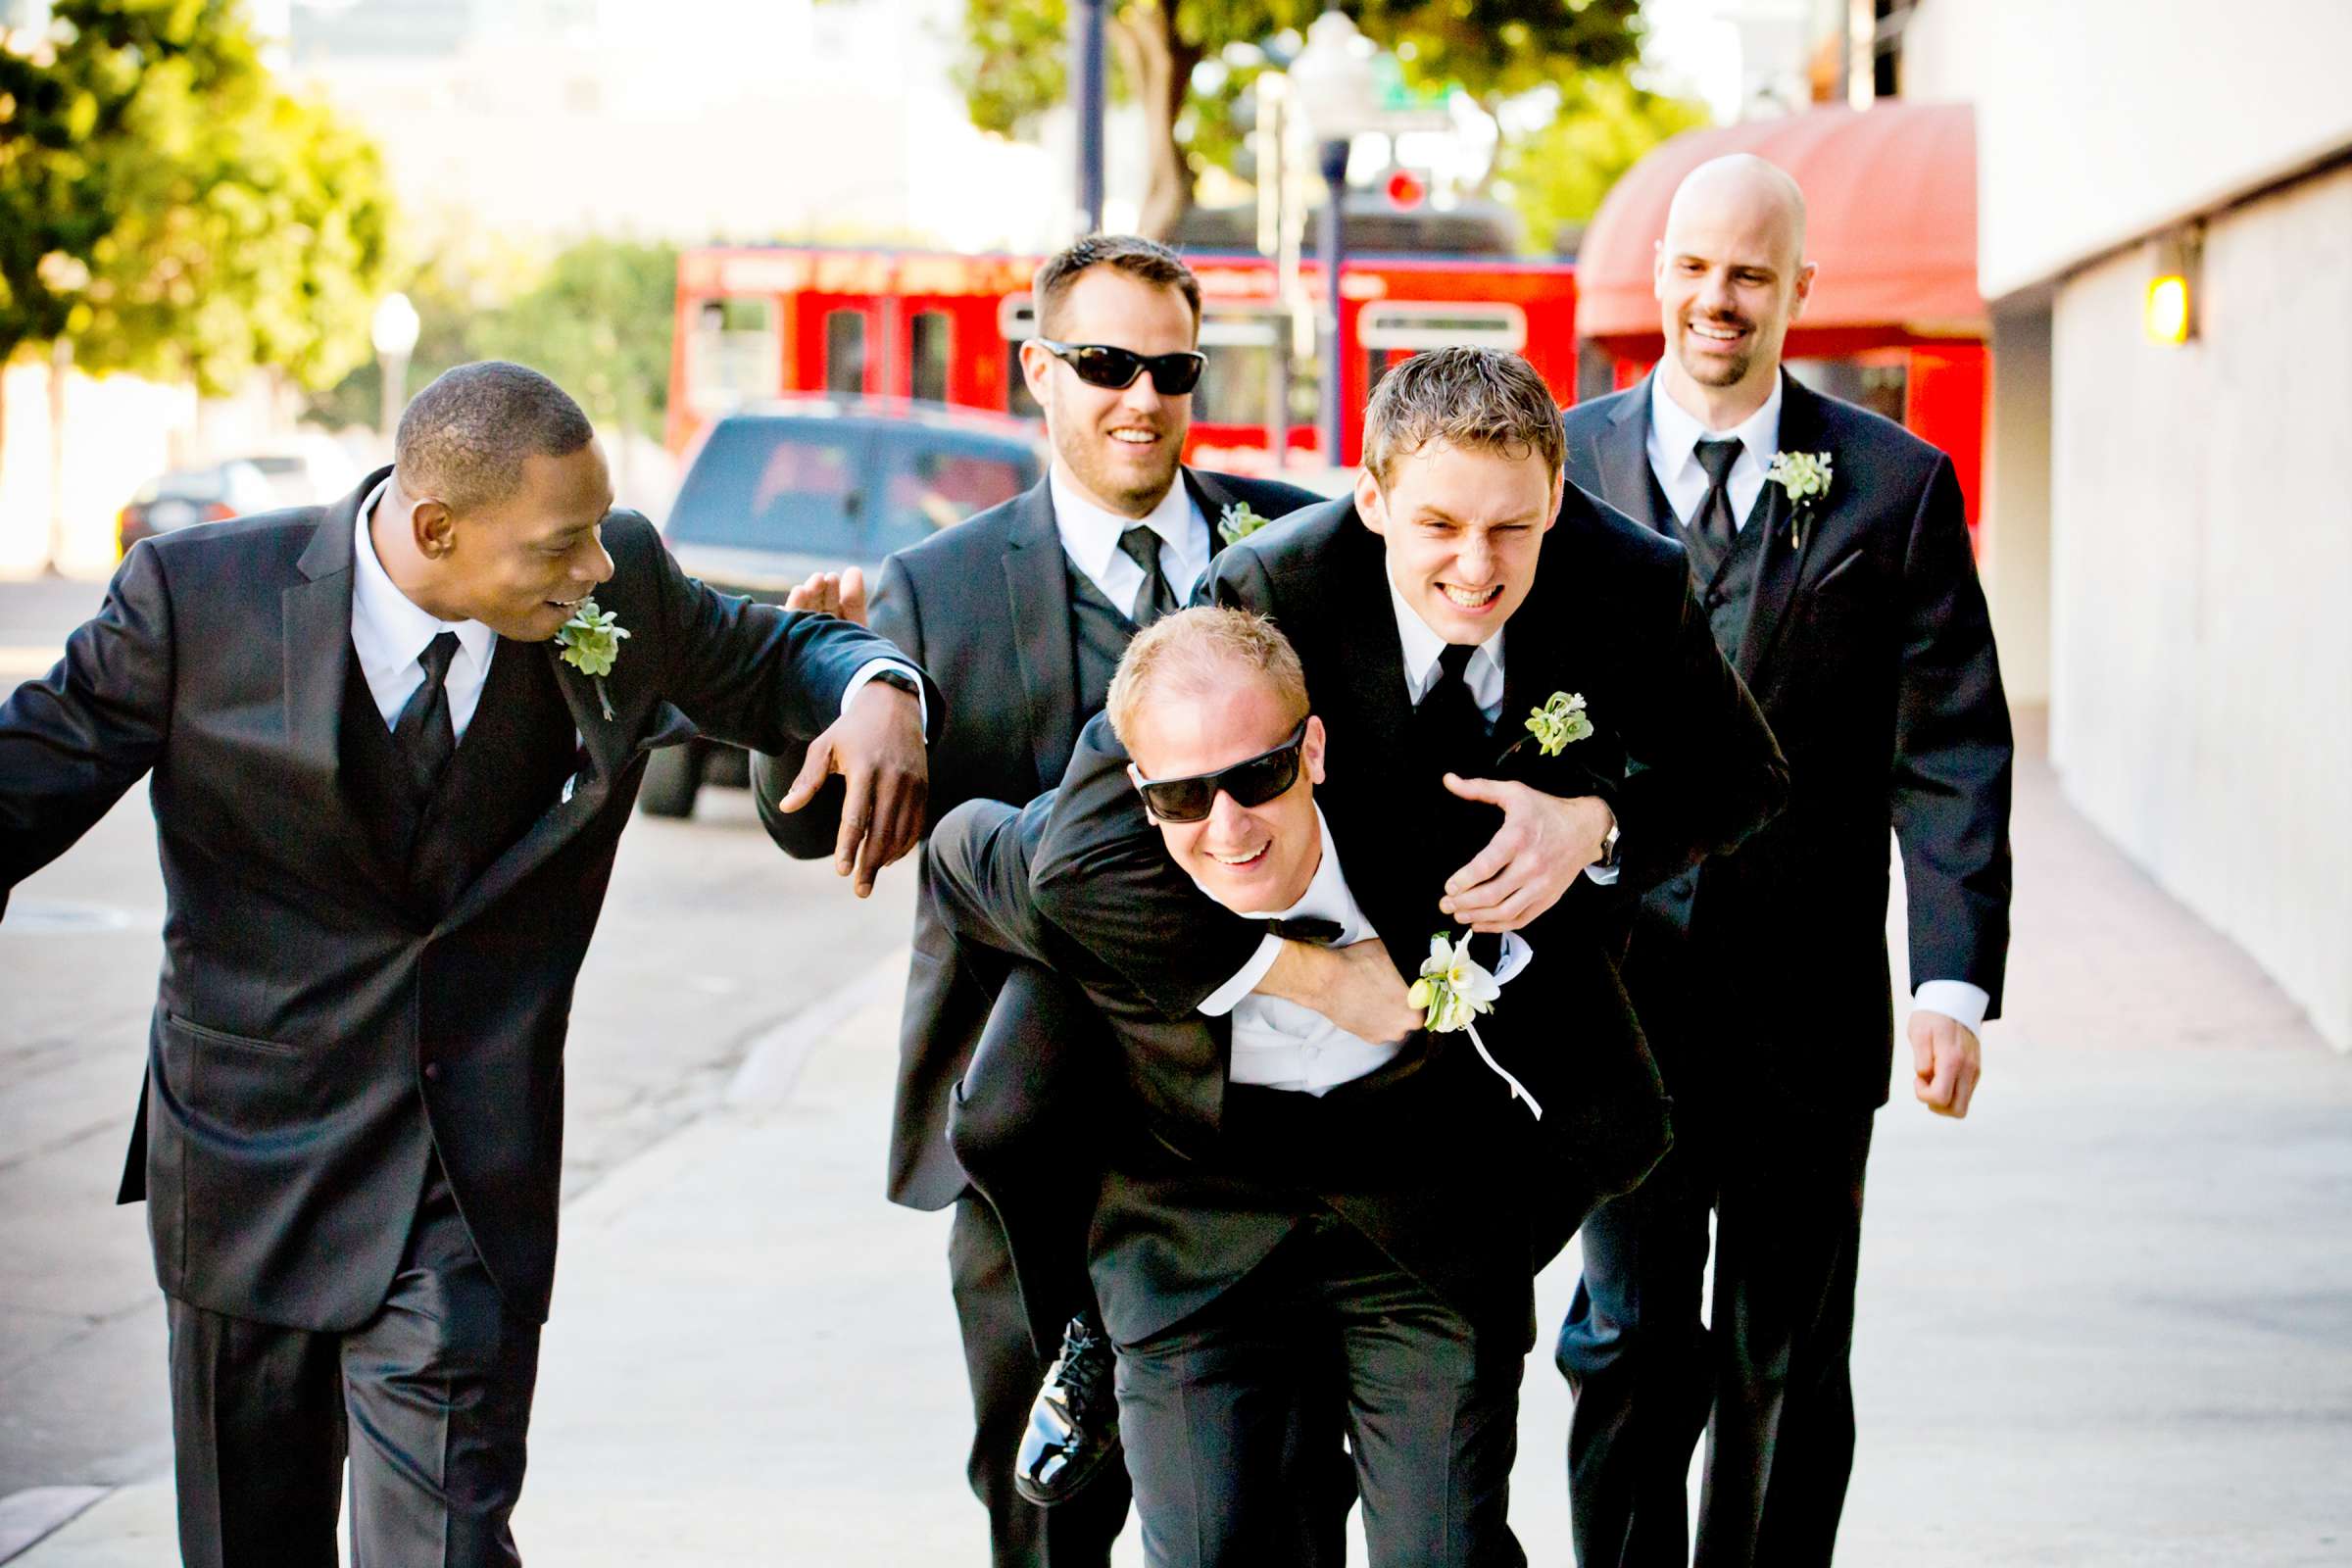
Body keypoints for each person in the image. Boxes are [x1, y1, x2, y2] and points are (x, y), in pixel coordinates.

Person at [0, 361, 934, 1567]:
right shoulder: (196, 600)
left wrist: (877, 687)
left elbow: (771, 657)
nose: (596, 568)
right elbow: (27, 779)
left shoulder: (618, 586)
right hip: (246, 1170)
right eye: (562, 545)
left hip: (465, 1184)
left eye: (599, 532)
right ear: (436, 529)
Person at [975, 347, 1788, 1564]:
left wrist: (1594, 826)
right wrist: (1303, 976)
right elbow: (1085, 847)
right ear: (1372, 499)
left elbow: (1745, 775)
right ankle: (1100, 1329)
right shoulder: (1269, 583)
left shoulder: (1629, 583)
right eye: (1441, 525)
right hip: (1221, 1138)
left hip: (1454, 1117)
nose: (1478, 565)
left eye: (1514, 527)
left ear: (1558, 501)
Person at [750, 235, 1320, 1564]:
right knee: (1040, 1510)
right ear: (1036, 374)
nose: (1142, 399)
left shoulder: (1288, 543)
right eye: (1106, 364)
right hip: (1026, 1130)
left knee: (1278, 1497)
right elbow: (826, 824)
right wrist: (808, 692)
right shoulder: (933, 586)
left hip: (1255, 1106)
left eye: (1173, 369)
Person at [1552, 154, 2015, 1567]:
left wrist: (1953, 983)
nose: (1717, 298)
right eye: (1694, 267)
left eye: (1751, 273)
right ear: (1660, 277)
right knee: (1624, 1343)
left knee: (1785, 1354)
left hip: (1807, 1017)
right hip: (1613, 1008)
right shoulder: (1557, 467)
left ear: (1799, 291)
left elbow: (1948, 746)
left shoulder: (1894, 487)